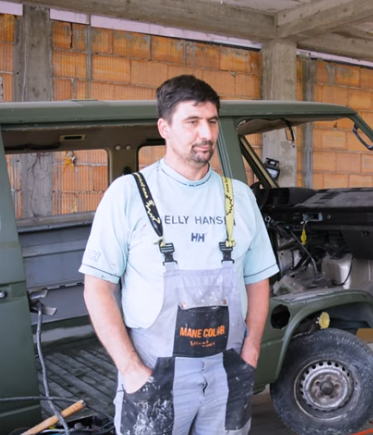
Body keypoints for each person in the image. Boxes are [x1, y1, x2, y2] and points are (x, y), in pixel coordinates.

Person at [79, 74, 279, 435]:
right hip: (153, 374)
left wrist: (251, 352)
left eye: (212, 122)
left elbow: (258, 279)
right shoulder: (129, 194)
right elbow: (97, 287)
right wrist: (131, 370)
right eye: (192, 122)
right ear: (164, 127)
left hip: (227, 372)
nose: (206, 133)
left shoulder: (240, 198)